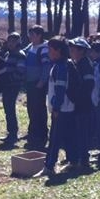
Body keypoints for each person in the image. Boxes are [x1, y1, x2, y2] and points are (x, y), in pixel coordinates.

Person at [40, 36, 76, 177]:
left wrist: (56, 107)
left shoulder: (61, 67)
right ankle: (73, 160)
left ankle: (49, 166)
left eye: (50, 49)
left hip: (62, 109)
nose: (48, 52)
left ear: (58, 50)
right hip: (67, 108)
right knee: (68, 136)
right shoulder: (62, 65)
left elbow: (60, 90)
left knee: (54, 138)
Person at [68, 37, 96, 172]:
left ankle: (83, 160)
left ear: (81, 51)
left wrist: (78, 98)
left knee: (82, 133)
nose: (71, 51)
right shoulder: (77, 63)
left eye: (74, 48)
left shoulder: (85, 65)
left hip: (83, 105)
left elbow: (88, 85)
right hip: (78, 104)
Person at [23, 26, 51, 150]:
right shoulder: (30, 47)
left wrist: (42, 81)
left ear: (39, 35)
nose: (30, 37)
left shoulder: (44, 49)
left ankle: (41, 134)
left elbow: (46, 66)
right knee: (31, 108)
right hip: (30, 83)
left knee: (39, 109)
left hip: (38, 83)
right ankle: (32, 132)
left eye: (33, 34)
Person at [0, 32, 26, 144]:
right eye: (9, 41)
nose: (11, 43)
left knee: (10, 109)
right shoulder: (7, 54)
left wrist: (9, 79)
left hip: (13, 85)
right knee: (7, 109)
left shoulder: (20, 54)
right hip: (6, 86)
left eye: (13, 41)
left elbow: (20, 71)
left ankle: (13, 133)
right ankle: (10, 132)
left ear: (18, 42)